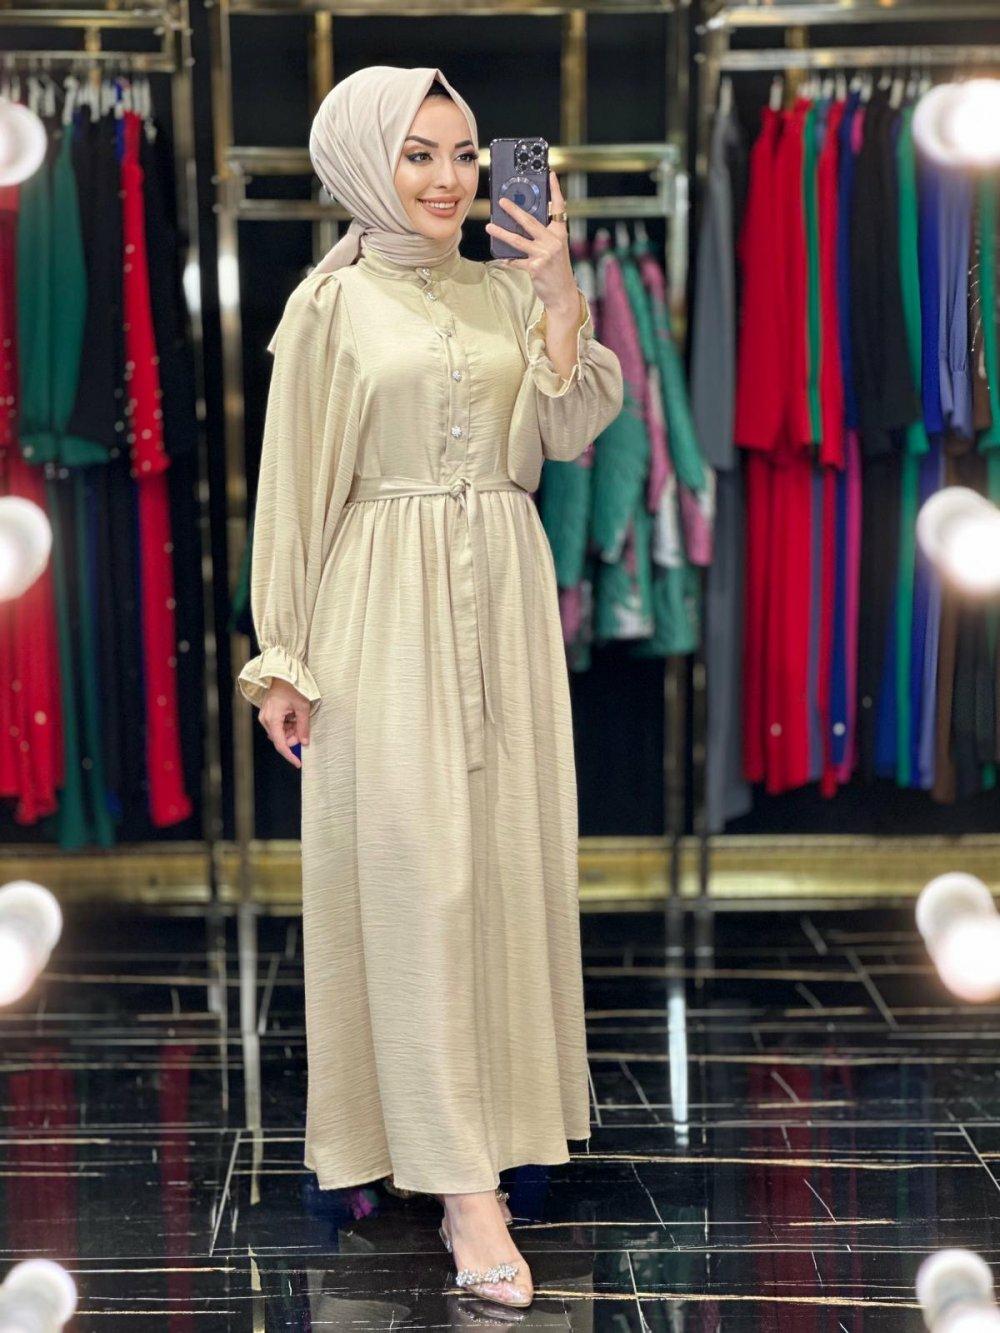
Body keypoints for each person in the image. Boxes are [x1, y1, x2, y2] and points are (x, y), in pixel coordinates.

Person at [237, 65, 623, 1308]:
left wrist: (556, 292)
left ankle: (491, 1134)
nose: (449, 178)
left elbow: (565, 432)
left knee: (502, 870)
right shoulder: (329, 305)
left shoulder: (506, 287)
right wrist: (284, 655)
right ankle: (463, 1191)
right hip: (381, 606)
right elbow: (295, 484)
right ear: (364, 162)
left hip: (503, 594)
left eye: (463, 153)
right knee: (415, 885)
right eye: (418, 153)